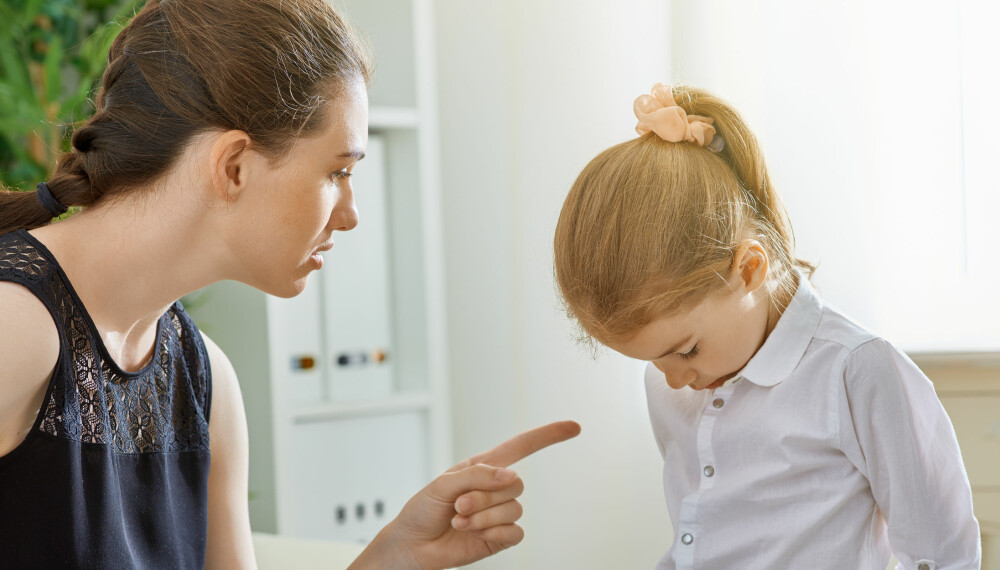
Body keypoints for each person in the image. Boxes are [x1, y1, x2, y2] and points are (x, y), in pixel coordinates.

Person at [0, 0, 580, 568]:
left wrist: (392, 556)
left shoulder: (205, 381)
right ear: (233, 166)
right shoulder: (14, 328)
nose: (350, 213)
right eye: (338, 172)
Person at [553, 83, 980, 569]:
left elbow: (942, 554)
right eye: (652, 358)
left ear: (750, 270)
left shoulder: (856, 372)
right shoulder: (669, 383)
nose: (671, 378)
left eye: (686, 350)